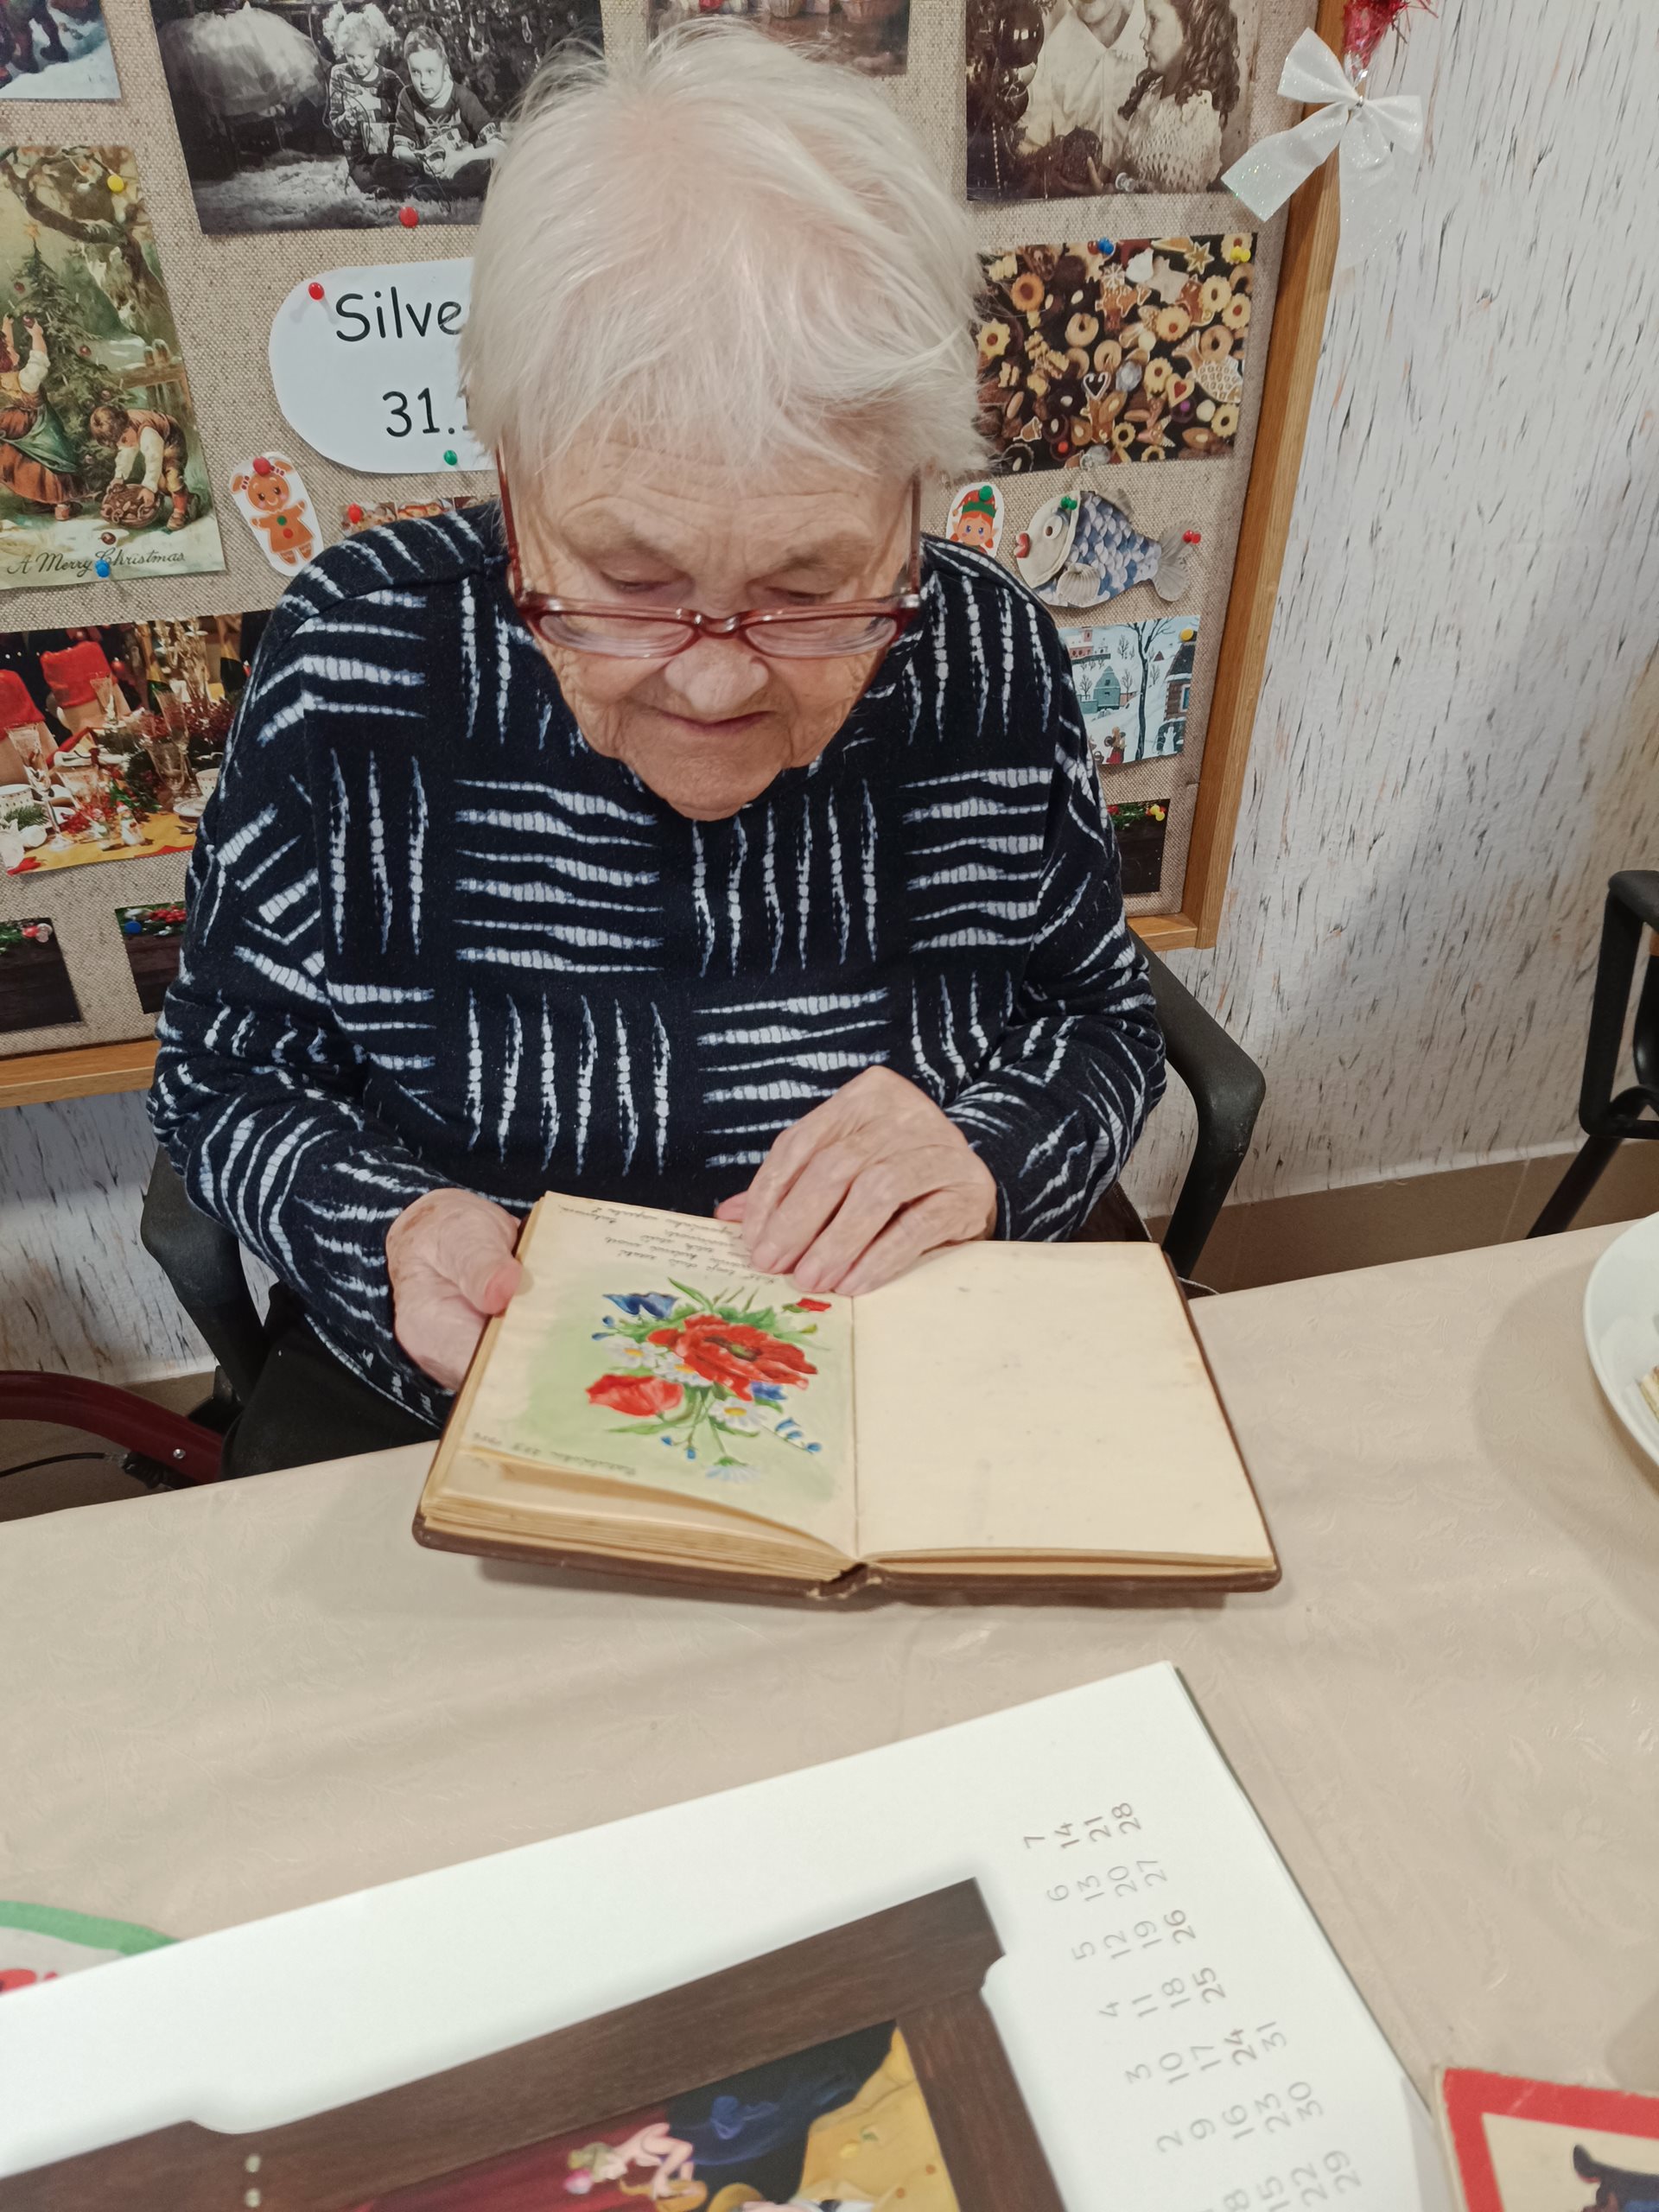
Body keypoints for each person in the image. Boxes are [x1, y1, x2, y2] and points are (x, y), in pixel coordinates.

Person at [150, 25, 1166, 1477]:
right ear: (514, 486)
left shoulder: (980, 650)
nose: (715, 678)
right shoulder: (360, 661)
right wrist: (384, 1230)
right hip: (480, 1401)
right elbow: (225, 1072)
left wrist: (993, 1150)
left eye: (811, 588)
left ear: (914, 501)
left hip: (907, 1375)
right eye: (631, 582)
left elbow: (1102, 1018)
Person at [1117, 0, 1241, 192]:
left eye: (1154, 20)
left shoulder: (1195, 120)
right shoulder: (1153, 95)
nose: (1142, 33)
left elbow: (1169, 206)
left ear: (1191, 31)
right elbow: (1131, 174)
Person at [390, 24, 502, 199]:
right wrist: (421, 157)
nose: (423, 81)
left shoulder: (462, 97)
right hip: (428, 166)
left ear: (446, 71)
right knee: (385, 166)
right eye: (416, 72)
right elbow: (399, 149)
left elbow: (500, 148)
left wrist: (463, 158)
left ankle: (430, 190)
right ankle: (428, 188)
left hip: (462, 165)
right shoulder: (407, 97)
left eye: (431, 72)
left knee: (483, 169)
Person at [0, 317, 78, 520]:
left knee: (23, 457)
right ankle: (62, 506)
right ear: (7, 358)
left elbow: (6, 345)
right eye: (9, 349)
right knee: (53, 459)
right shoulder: (25, 379)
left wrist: (7, 325)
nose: (12, 347)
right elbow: (39, 358)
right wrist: (36, 334)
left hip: (16, 420)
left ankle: (33, 500)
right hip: (39, 422)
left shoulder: (3, 376)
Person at [326, 10, 409, 198]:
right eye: (350, 56)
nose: (356, 63)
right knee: (368, 180)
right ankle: (381, 189)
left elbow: (408, 112)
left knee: (401, 169)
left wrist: (377, 104)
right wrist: (348, 118)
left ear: (376, 51)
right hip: (359, 158)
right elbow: (336, 128)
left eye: (362, 56)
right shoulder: (339, 75)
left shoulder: (390, 78)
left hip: (390, 152)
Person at [86, 403, 192, 532]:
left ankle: (180, 513)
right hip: (156, 442)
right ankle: (188, 499)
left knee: (172, 476)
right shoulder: (123, 429)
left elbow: (154, 457)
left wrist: (148, 488)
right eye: (117, 444)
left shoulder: (147, 433)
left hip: (171, 439)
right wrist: (119, 477)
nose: (123, 445)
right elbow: (126, 453)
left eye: (123, 440)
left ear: (127, 427)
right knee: (160, 482)